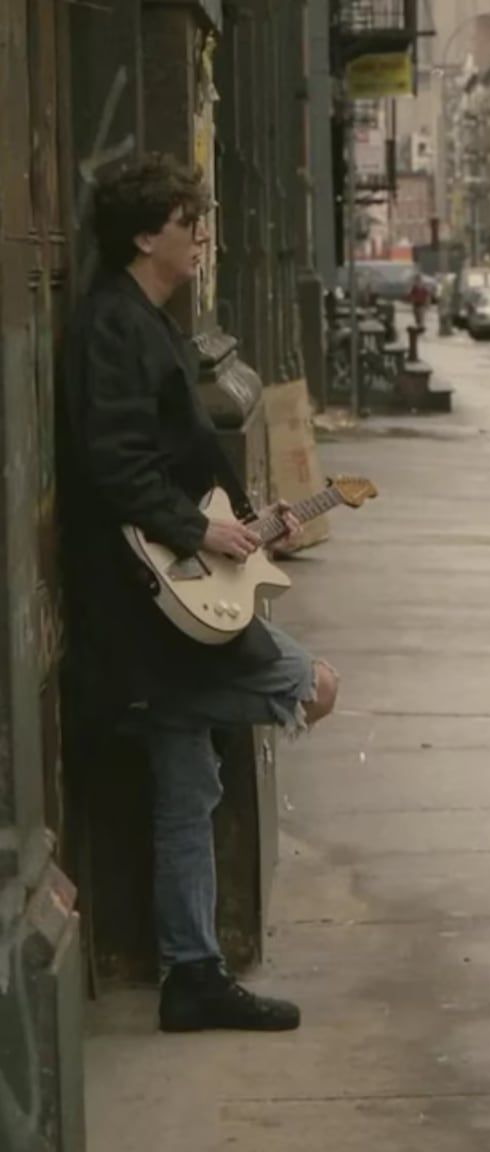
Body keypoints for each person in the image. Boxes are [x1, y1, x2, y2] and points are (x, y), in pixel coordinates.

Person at [60, 154, 339, 1033]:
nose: (202, 233)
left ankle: (192, 975)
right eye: (188, 220)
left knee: (189, 788)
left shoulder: (150, 319)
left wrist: (255, 522)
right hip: (150, 611)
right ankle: (193, 969)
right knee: (313, 685)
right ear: (147, 235)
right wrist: (199, 532)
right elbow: (116, 463)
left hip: (167, 601)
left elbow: (182, 464)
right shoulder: (114, 325)